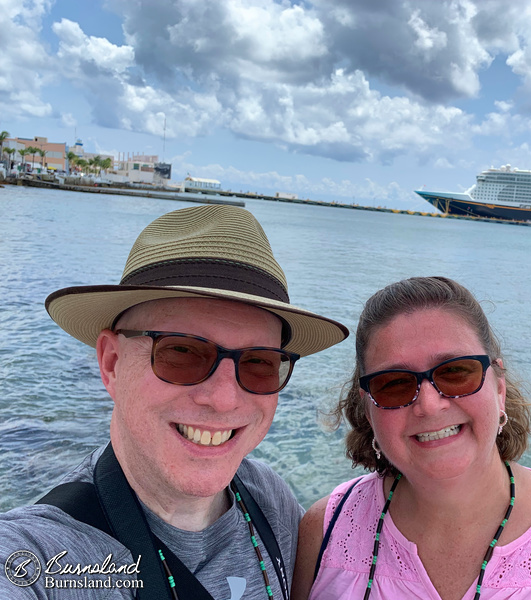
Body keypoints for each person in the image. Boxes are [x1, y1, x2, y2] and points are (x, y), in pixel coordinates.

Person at [0, 205, 348, 599]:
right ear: (111, 363)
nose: (222, 398)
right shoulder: (36, 561)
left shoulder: (269, 500)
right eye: (181, 352)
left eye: (258, 363)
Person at [292, 276, 531, 600]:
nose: (429, 406)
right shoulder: (325, 530)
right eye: (394, 383)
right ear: (368, 408)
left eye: (455, 372)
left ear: (499, 388)